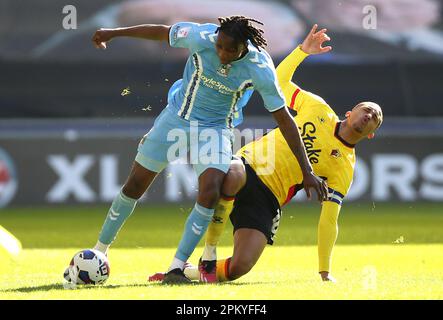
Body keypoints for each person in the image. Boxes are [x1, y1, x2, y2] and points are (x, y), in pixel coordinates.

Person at [65, 16, 327, 284]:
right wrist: (114, 32)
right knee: (135, 185)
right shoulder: (201, 37)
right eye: (220, 47)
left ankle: (177, 267)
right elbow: (161, 32)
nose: (223, 54)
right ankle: (100, 250)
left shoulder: (259, 68)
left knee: (211, 188)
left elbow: (284, 118)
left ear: (244, 47)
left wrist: (307, 171)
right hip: (176, 118)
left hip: (215, 130)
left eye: (231, 50)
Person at [149, 24, 383, 283]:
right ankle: (203, 255)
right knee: (231, 176)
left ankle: (189, 273)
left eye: (375, 117)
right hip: (247, 165)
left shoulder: (345, 167)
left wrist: (324, 271)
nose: (369, 115)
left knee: (241, 267)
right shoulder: (318, 108)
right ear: (350, 113)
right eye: (366, 109)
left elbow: (329, 220)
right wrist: (302, 52)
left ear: (371, 133)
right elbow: (279, 82)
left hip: (269, 197)